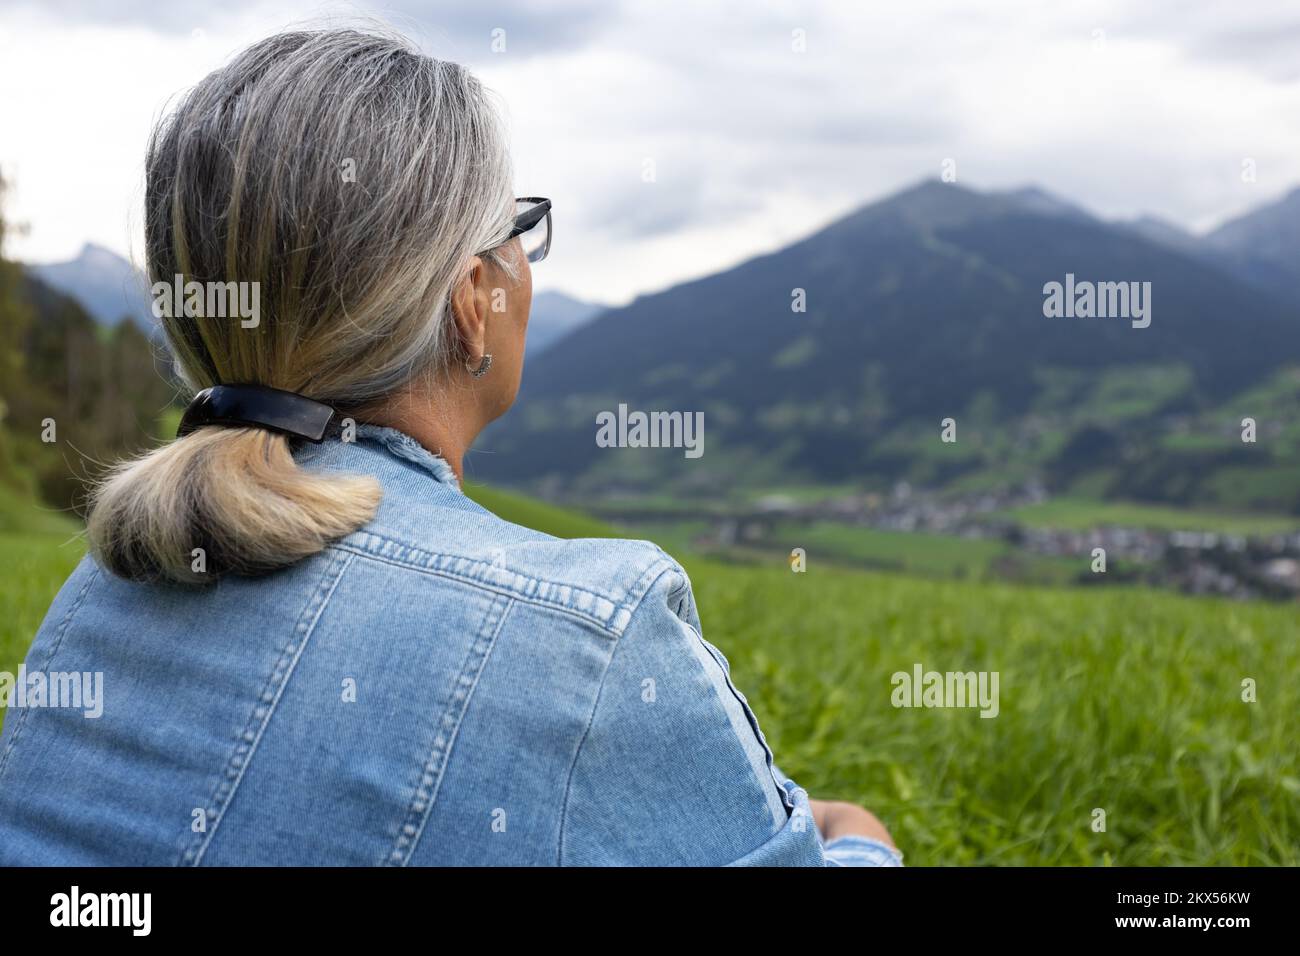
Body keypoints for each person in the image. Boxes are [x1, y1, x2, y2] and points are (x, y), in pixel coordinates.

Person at [0, 27, 899, 867]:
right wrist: (858, 837)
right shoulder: (589, 637)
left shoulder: (111, 590)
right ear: (474, 301)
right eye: (518, 231)